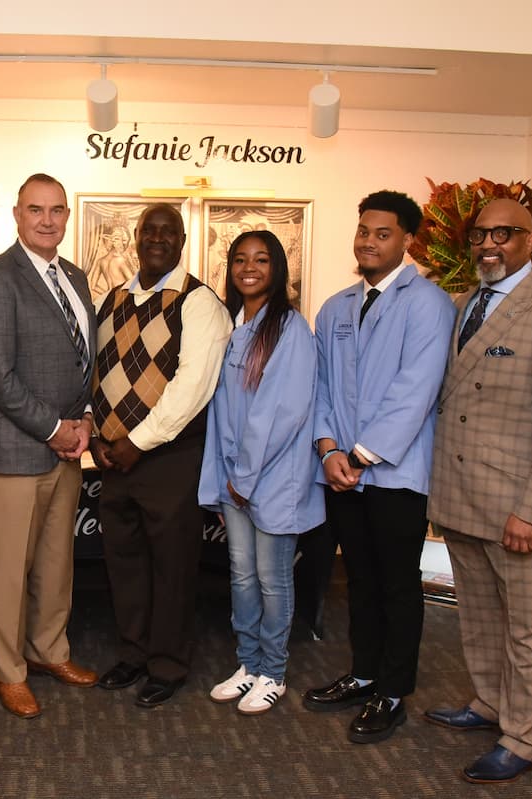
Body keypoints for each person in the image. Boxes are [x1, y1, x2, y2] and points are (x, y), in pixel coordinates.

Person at [425, 198, 532, 784]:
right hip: (465, 498)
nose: (489, 244)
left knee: (528, 626)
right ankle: (490, 705)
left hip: (519, 509)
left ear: (530, 241)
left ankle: (525, 738)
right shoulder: (467, 302)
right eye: (480, 234)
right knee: (477, 616)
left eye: (504, 233)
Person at [305, 190, 456, 743]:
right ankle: (363, 672)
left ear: (407, 241)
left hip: (394, 474)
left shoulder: (429, 305)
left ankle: (392, 692)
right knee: (360, 580)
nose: (368, 241)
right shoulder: (336, 306)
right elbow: (318, 386)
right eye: (363, 230)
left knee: (397, 583)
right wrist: (326, 448)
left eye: (382, 233)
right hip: (342, 472)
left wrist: (360, 455)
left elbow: (415, 391)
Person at [0, 173, 98, 719]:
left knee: (55, 561)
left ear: (68, 216)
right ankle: (8, 669)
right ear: (17, 215)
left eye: (57, 210)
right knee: (7, 568)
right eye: (35, 210)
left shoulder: (76, 277)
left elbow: (83, 360)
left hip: (68, 447)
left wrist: (85, 419)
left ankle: (49, 651)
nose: (47, 220)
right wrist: (55, 428)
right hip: (15, 449)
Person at [88, 204, 231, 707]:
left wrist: (135, 443)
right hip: (116, 459)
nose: (156, 239)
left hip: (170, 457)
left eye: (167, 232)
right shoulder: (113, 299)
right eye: (148, 230)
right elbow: (96, 372)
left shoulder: (198, 302)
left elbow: (192, 387)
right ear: (135, 237)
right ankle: (133, 652)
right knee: (124, 562)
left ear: (182, 240)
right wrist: (100, 438)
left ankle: (167, 664)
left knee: (171, 567)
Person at [198, 230, 324, 715]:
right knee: (241, 577)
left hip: (271, 480)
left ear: (277, 269)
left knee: (273, 580)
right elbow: (221, 411)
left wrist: (243, 478)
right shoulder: (234, 324)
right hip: (235, 481)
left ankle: (273, 670)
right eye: (240, 259)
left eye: (262, 259)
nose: (249, 268)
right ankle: (247, 663)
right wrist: (225, 481)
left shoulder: (290, 329)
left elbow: (280, 413)